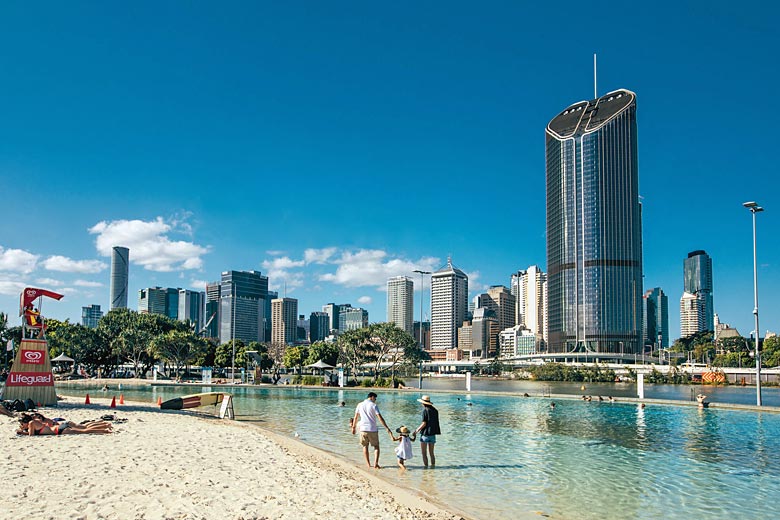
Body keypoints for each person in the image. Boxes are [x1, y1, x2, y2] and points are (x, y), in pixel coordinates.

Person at [351, 391, 392, 469]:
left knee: (365, 446)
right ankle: (376, 464)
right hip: (372, 429)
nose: (375, 400)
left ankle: (368, 464)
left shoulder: (360, 405)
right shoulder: (374, 405)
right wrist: (387, 428)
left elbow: (356, 417)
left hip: (363, 429)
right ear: (372, 397)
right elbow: (380, 418)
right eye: (375, 398)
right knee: (376, 446)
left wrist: (353, 427)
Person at [17, 413, 113, 435]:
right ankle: (104, 426)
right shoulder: (34, 422)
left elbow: (31, 435)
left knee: (85, 430)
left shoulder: (31, 423)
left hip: (59, 430)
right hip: (59, 427)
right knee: (84, 428)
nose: (22, 426)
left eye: (22, 424)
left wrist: (21, 432)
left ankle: (105, 430)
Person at [412, 395, 441, 468]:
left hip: (425, 434)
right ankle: (433, 468)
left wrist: (416, 430)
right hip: (432, 434)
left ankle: (426, 469)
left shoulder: (425, 410)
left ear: (423, 403)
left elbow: (424, 423)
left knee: (424, 453)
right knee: (431, 453)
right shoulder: (435, 411)